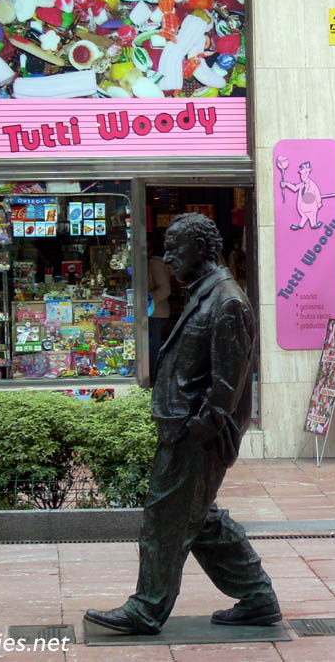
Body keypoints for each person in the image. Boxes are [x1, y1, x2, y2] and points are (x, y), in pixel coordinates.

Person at [85, 213, 280, 635]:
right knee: (199, 518)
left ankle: (147, 607)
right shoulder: (203, 294)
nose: (168, 257)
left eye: (176, 248)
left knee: (164, 519)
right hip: (185, 429)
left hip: (195, 436)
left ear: (203, 250)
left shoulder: (226, 301)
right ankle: (258, 597)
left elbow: (228, 381)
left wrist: (198, 428)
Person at [146, 231, 172, 384]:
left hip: (156, 313)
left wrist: (147, 299)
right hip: (152, 312)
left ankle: (156, 382)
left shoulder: (155, 263)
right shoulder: (149, 261)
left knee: (153, 349)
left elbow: (165, 289)